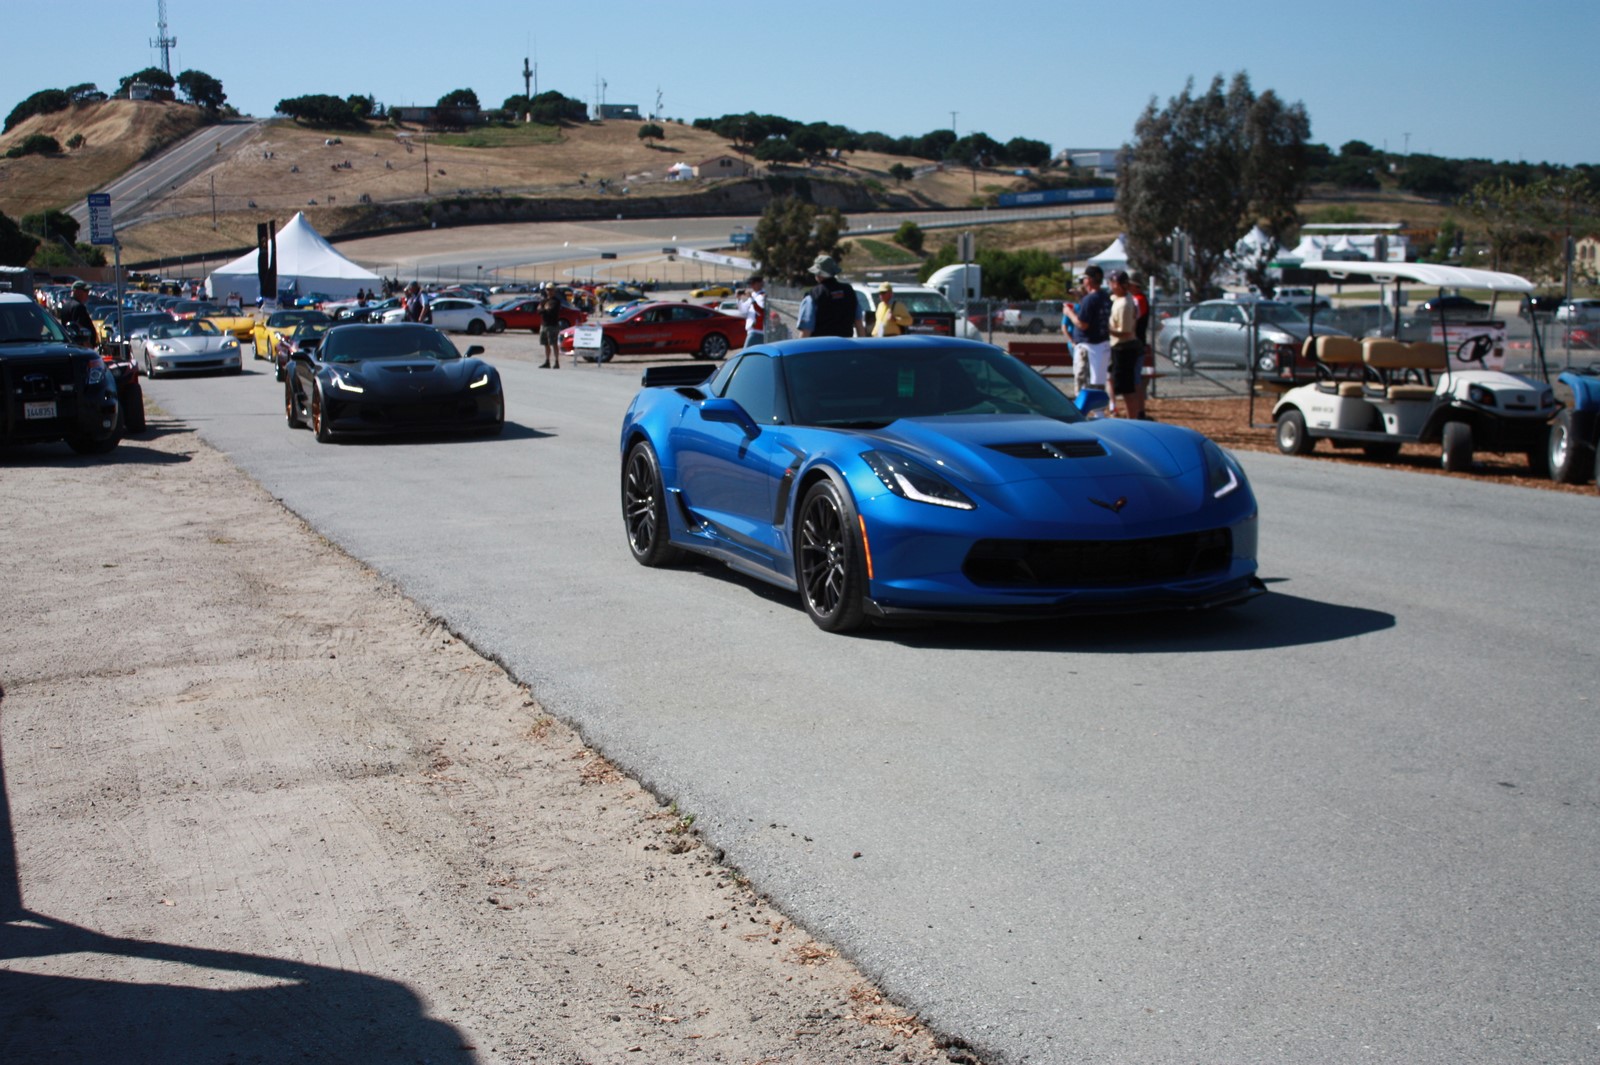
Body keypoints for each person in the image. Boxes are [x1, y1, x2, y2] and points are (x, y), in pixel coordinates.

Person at [1063, 265, 1112, 410]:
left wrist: (1068, 313)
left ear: (1089, 280)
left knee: (1083, 381)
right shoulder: (1105, 297)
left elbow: (1082, 324)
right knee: (1098, 381)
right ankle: (1099, 411)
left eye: (1085, 278)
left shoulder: (1090, 299)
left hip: (1088, 345)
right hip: (1103, 344)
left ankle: (1082, 412)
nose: (1083, 281)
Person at [1107, 269, 1145, 419]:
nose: (1110, 285)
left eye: (1112, 282)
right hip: (1119, 347)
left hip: (1125, 348)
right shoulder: (1121, 299)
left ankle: (1132, 419)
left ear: (1117, 284)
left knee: (1127, 389)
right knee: (1114, 380)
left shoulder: (1124, 304)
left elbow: (1126, 332)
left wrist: (1107, 330)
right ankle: (1118, 410)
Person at [796, 255, 862, 338]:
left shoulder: (813, 296)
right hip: (846, 347)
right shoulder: (849, 291)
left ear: (819, 274)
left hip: (821, 348)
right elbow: (859, 323)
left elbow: (806, 331)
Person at [57, 281, 97, 347]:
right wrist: (86, 343)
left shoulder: (65, 305)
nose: (87, 294)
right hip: (81, 346)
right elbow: (80, 328)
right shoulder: (78, 307)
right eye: (85, 291)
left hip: (69, 343)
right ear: (77, 291)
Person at [736, 274, 767, 348]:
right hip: (751, 330)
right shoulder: (753, 295)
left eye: (753, 284)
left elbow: (760, 311)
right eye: (750, 284)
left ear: (759, 284)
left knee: (745, 353)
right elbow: (743, 311)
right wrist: (738, 299)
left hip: (757, 330)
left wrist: (752, 299)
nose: (751, 286)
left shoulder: (762, 296)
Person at [538, 287, 564, 368]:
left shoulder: (556, 301)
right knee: (546, 344)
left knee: (554, 343)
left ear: (554, 291)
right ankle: (547, 361)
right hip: (544, 324)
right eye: (548, 289)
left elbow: (551, 311)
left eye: (551, 289)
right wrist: (544, 309)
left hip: (553, 325)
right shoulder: (544, 300)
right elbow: (539, 310)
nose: (549, 291)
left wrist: (544, 309)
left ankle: (556, 362)